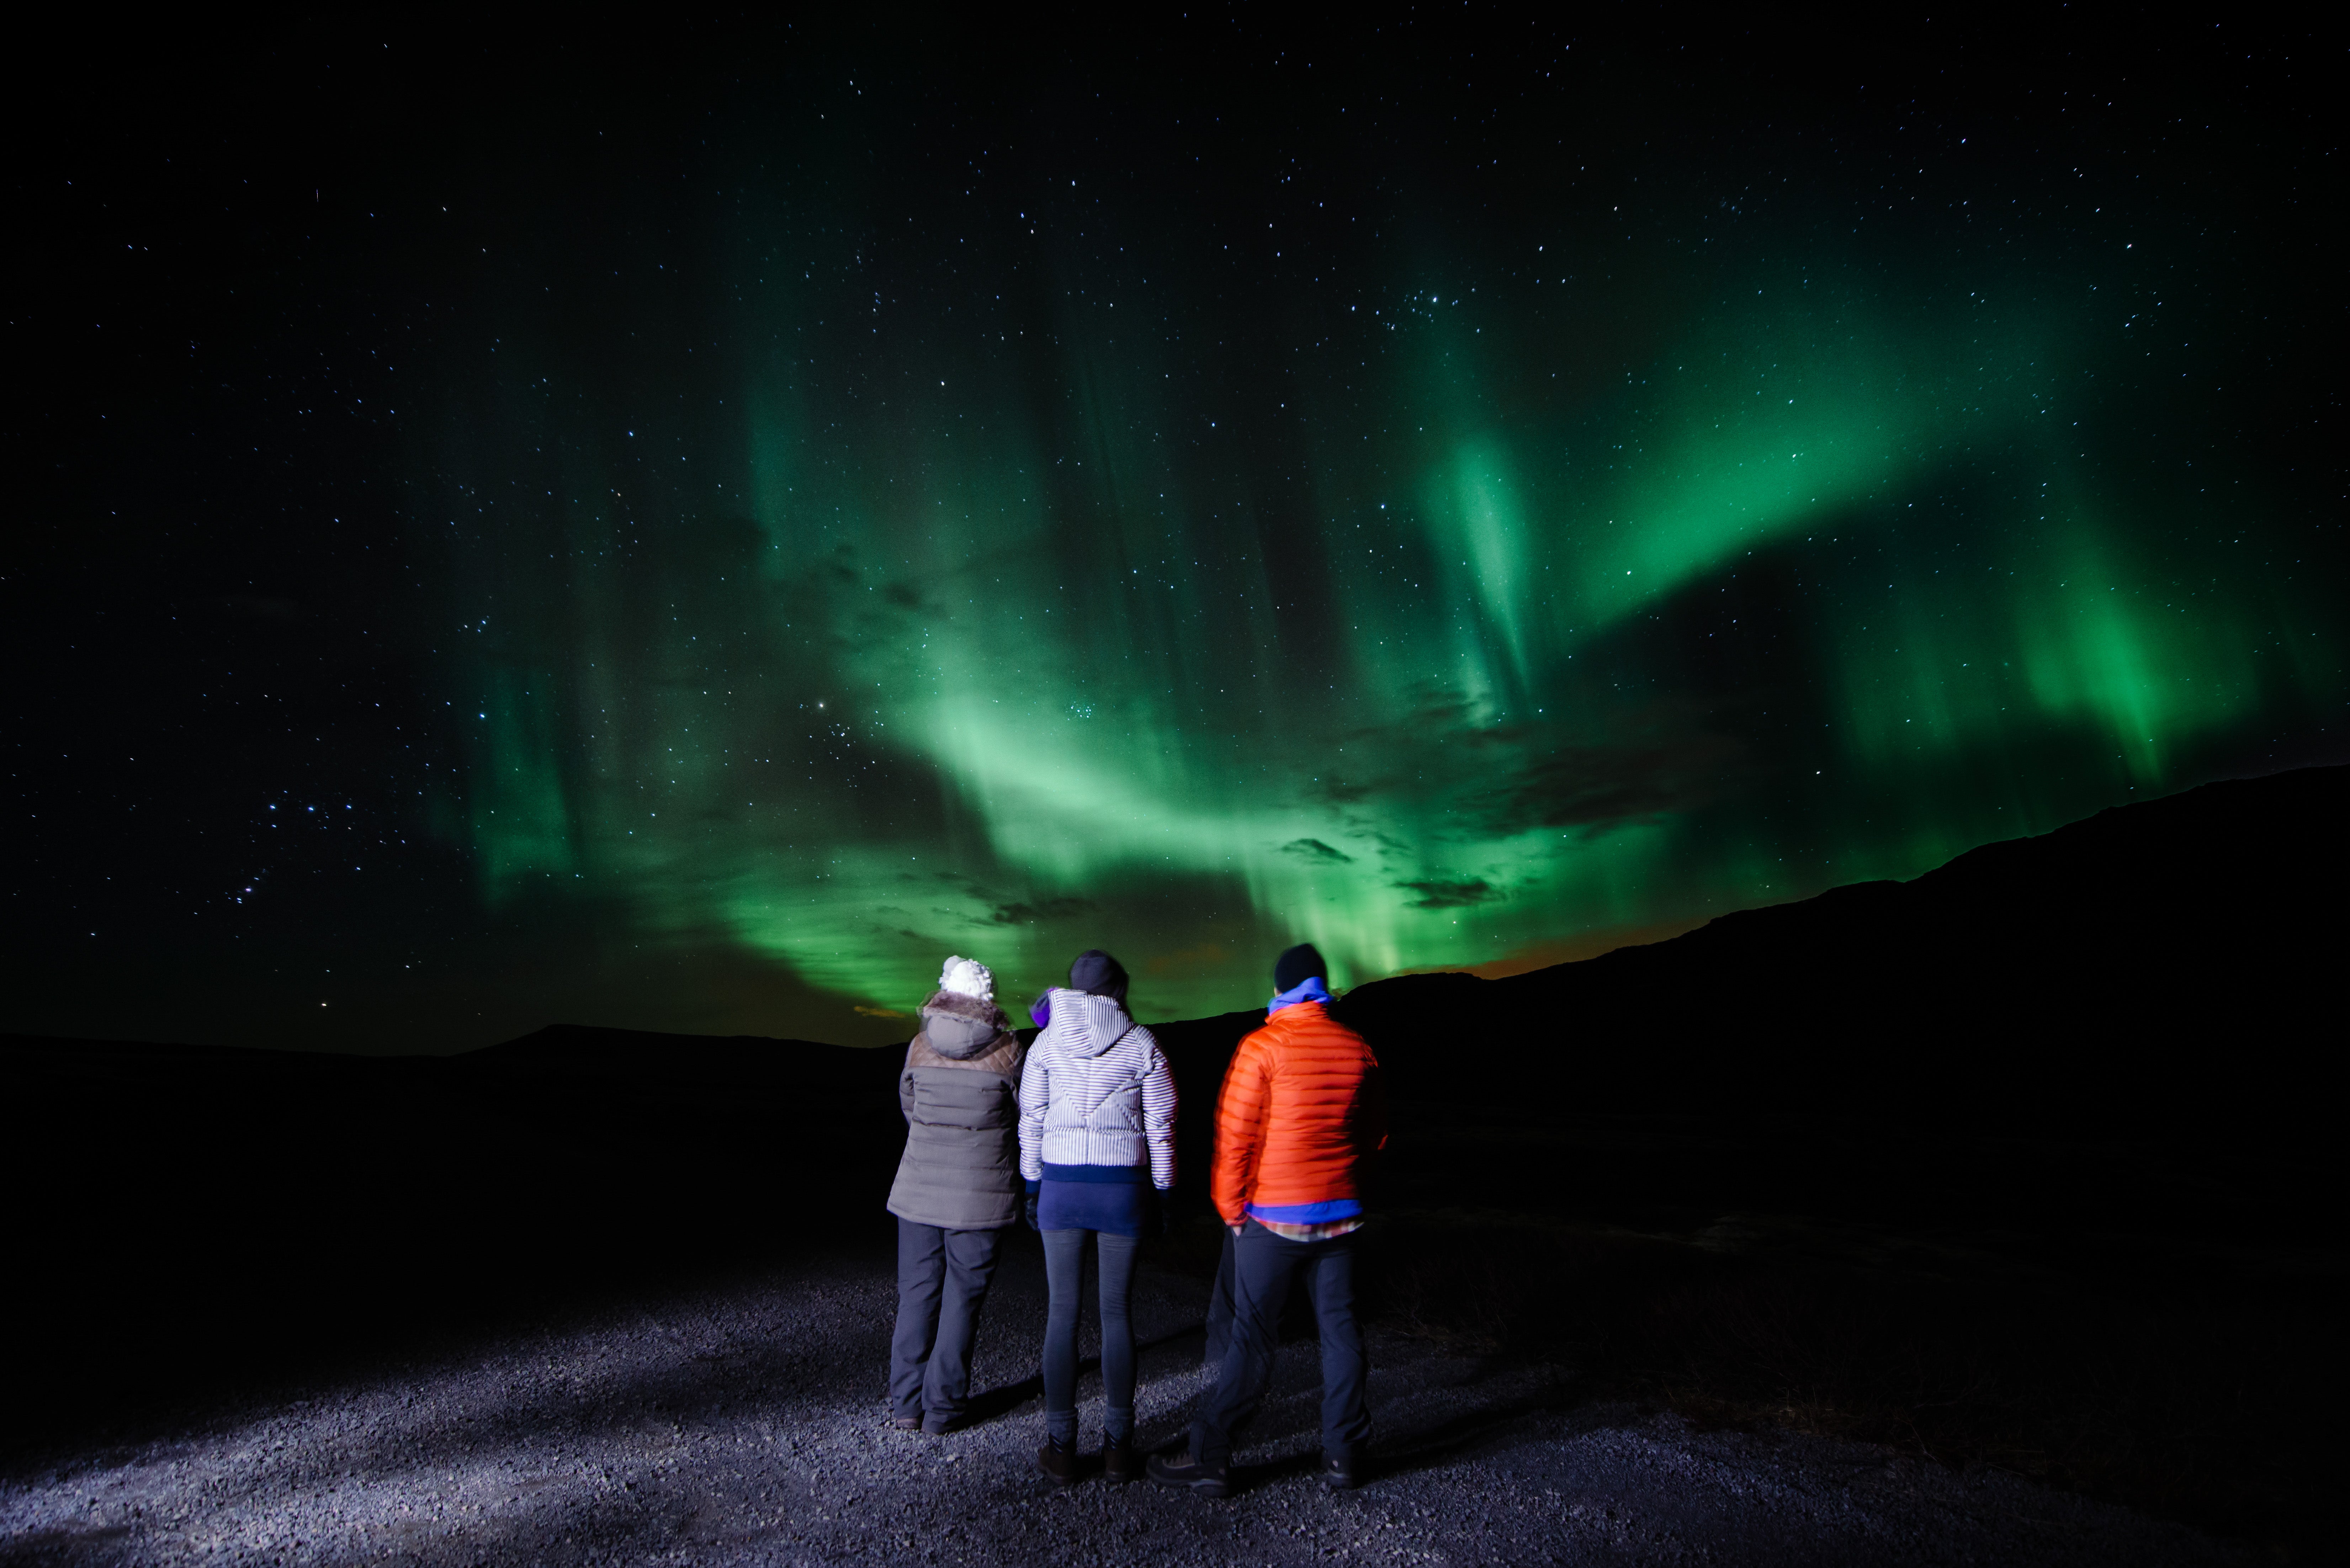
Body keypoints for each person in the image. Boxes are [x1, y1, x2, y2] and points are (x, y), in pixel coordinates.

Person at [1150, 942, 1385, 1497]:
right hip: (1342, 1219)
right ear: (1321, 987)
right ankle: (1345, 1456)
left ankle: (1210, 1456)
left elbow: (1235, 1139)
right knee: (1343, 1333)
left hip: (1273, 1219)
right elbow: (1374, 1135)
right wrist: (1349, 1188)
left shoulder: (1262, 1047)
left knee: (1253, 1339)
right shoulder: (1358, 1048)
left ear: (1281, 988)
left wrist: (1233, 1212)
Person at [1018, 949, 1177, 1485]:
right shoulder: (1143, 1043)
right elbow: (1163, 1122)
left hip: (1062, 1186)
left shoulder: (1045, 1042)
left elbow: (1031, 1118)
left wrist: (1033, 1183)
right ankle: (1117, 1449)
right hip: (1122, 1190)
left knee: (1062, 1313)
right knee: (1117, 1313)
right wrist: (1164, 1189)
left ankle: (1062, 1448)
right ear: (1118, 987)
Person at [885, 955, 1025, 1435]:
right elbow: (1021, 1114)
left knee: (917, 1292)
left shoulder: (920, 1046)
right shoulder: (1009, 1050)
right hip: (980, 1195)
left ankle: (906, 1403)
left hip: (919, 1189)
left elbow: (910, 1106)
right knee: (963, 1298)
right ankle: (943, 1409)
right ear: (987, 998)